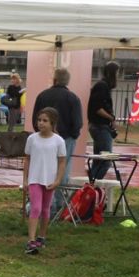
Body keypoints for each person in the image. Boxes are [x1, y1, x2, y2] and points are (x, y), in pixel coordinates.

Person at [33, 67, 83, 209]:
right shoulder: (73, 98)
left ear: (54, 79)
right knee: (63, 170)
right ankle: (60, 205)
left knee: (44, 169)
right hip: (66, 138)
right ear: (67, 81)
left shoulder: (42, 96)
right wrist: (73, 135)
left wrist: (41, 133)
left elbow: (35, 118)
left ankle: (45, 203)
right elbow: (78, 122)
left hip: (44, 138)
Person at [23, 107, 67, 255]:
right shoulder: (32, 139)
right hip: (34, 179)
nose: (41, 123)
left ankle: (41, 236)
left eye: (45, 120)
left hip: (49, 180)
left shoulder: (58, 141)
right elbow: (27, 159)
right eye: (39, 120)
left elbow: (62, 162)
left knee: (45, 209)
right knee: (35, 208)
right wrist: (25, 180)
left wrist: (58, 180)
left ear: (52, 123)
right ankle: (31, 240)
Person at [87, 61, 120, 181]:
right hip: (100, 126)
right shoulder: (102, 86)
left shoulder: (103, 86)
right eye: (117, 72)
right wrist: (111, 118)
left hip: (99, 126)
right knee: (106, 160)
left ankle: (91, 184)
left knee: (99, 159)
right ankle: (93, 183)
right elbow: (97, 108)